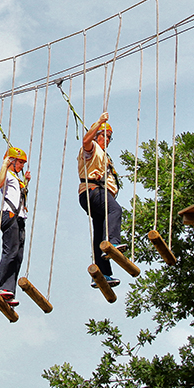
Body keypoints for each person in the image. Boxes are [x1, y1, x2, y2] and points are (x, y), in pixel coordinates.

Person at [78, 112, 123, 287]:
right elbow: (85, 141)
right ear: (98, 136)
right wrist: (99, 122)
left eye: (110, 137)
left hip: (95, 194)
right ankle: (113, 243)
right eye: (105, 136)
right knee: (116, 210)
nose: (107, 140)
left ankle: (101, 273)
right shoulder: (92, 149)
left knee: (99, 235)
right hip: (93, 192)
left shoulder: (103, 156)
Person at [0, 146, 30, 307]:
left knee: (18, 256)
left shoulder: (16, 177)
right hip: (9, 215)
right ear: (12, 161)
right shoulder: (7, 174)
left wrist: (26, 182)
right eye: (20, 162)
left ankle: (9, 290)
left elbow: (19, 194)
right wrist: (4, 164)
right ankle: (0, 286)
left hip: (20, 218)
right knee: (10, 251)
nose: (22, 166)